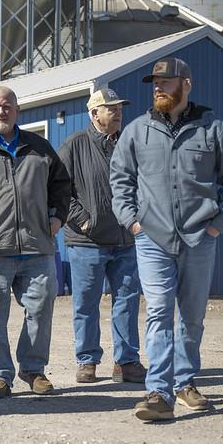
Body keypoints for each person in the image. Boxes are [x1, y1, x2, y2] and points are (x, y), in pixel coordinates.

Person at [110, 57, 223, 421]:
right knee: (158, 311)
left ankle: (185, 382)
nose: (158, 87)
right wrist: (132, 222)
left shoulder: (214, 129)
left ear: (186, 83)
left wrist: (220, 222)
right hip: (151, 237)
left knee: (191, 315)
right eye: (154, 82)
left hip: (199, 236)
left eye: (166, 81)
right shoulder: (137, 131)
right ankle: (158, 391)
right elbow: (120, 178)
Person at [0, 86, 71, 399]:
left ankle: (33, 369)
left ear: (17, 111)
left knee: (41, 308)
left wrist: (57, 217)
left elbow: (62, 185)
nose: (1, 112)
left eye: (7, 106)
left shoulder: (39, 147)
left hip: (36, 247)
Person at [58, 88, 145, 384]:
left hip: (125, 240)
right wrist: (82, 220)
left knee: (128, 301)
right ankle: (87, 361)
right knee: (86, 304)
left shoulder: (129, 144)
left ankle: (127, 362)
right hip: (88, 242)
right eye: (111, 108)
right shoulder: (74, 144)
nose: (118, 112)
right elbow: (57, 190)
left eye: (120, 108)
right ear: (94, 114)